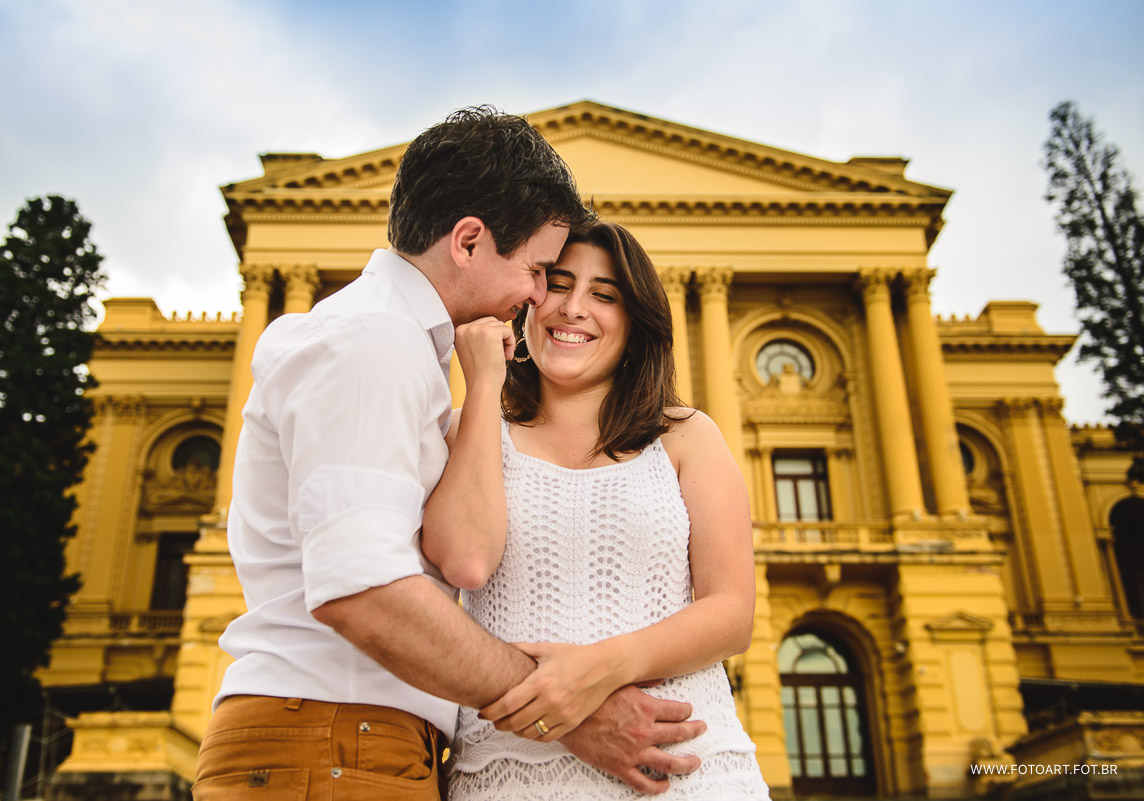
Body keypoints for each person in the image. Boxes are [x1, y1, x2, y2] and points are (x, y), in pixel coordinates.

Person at [193, 108, 707, 801]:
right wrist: (567, 711)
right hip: (333, 737)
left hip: (352, 738)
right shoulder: (373, 342)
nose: (540, 297)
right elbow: (365, 591)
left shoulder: (394, 343)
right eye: (538, 270)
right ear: (468, 241)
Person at [424, 221, 772, 799]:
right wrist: (483, 384)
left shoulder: (686, 436)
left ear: (635, 325)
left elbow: (732, 612)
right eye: (558, 285)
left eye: (604, 295)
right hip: (510, 775)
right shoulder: (468, 431)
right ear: (526, 302)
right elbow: (461, 559)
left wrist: (596, 670)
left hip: (686, 769)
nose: (574, 308)